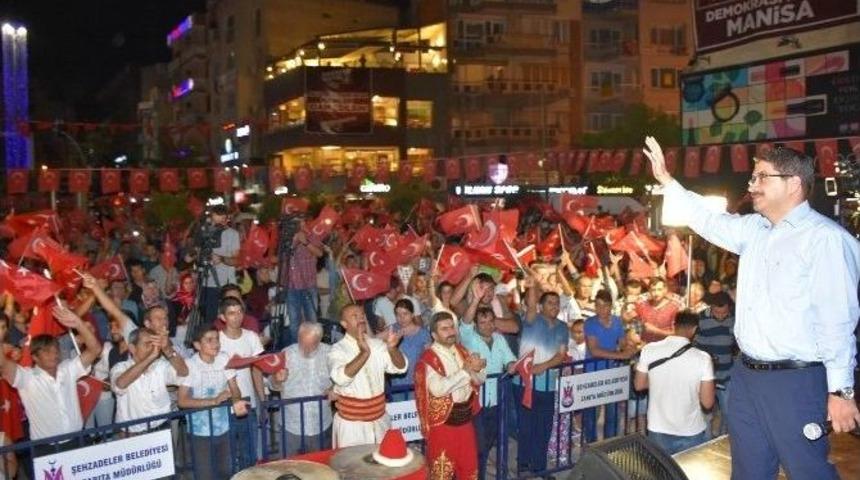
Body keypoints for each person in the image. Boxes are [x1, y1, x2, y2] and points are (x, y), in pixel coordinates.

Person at [644, 137, 860, 478]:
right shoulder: (755, 231)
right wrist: (669, 182)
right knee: (748, 470)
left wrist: (840, 391)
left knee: (807, 470)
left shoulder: (825, 240)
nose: (752, 185)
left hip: (796, 380)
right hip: (746, 376)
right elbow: (707, 219)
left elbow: (836, 320)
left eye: (761, 177)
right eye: (753, 177)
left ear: (793, 184)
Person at [0, 305, 102, 452]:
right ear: (35, 357)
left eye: (55, 350)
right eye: (47, 351)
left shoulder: (68, 369)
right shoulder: (27, 377)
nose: (53, 354)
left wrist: (78, 323)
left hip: (78, 441)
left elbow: (95, 350)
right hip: (47, 450)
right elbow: (3, 364)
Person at [414, 311, 485, 480]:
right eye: (444, 329)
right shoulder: (428, 359)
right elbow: (438, 389)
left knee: (469, 470)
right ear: (434, 334)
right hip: (442, 426)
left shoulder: (463, 351)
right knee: (441, 474)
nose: (451, 331)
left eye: (452, 327)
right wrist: (466, 372)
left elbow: (481, 379)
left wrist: (477, 369)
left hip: (466, 422)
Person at [634, 311, 715, 454]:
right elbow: (707, 402)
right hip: (690, 430)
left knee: (661, 473)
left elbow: (639, 385)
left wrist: (659, 380)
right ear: (695, 329)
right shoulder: (703, 358)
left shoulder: (649, 349)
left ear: (674, 325)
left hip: (657, 427)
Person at [328, 304, 406, 448]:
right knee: (352, 468)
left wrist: (392, 349)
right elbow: (340, 378)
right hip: (352, 427)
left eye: (362, 315)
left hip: (380, 421)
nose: (361, 319)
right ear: (344, 324)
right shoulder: (337, 350)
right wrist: (364, 354)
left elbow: (400, 368)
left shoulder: (377, 345)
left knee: (382, 465)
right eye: (355, 316)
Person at [178, 323, 248, 479]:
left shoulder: (223, 358)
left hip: (224, 427)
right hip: (199, 432)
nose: (215, 344)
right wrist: (213, 401)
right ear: (197, 345)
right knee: (205, 475)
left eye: (216, 339)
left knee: (226, 472)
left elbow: (235, 388)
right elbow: (182, 401)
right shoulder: (190, 365)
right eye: (209, 340)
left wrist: (236, 401)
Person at [517, 278, 569, 474]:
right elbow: (530, 304)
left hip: (548, 386)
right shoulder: (532, 319)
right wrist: (531, 285)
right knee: (526, 426)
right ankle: (523, 465)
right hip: (524, 384)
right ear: (540, 306)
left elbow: (561, 354)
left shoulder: (563, 327)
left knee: (544, 428)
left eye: (557, 303)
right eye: (550, 302)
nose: (554, 306)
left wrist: (542, 366)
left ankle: (540, 468)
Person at [460, 306, 516, 480]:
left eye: (491, 321)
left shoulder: (499, 338)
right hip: (476, 403)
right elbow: (465, 323)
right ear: (476, 325)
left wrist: (511, 365)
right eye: (482, 322)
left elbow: (509, 359)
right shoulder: (469, 339)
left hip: (496, 400)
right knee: (478, 447)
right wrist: (475, 300)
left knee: (488, 443)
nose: (488, 326)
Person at [270, 322, 333, 456]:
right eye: (302, 344)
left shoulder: (330, 353)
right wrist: (276, 379)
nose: (305, 349)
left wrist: (334, 388)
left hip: (320, 423)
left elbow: (342, 379)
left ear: (319, 341)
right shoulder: (286, 354)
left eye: (311, 346)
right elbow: (272, 384)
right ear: (298, 337)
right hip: (291, 425)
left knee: (319, 469)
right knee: (288, 468)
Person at [582, 290, 637, 442]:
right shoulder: (590, 323)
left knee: (612, 413)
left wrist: (629, 346)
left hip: (612, 372)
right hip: (593, 372)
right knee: (591, 413)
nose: (601, 309)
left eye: (605, 306)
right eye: (598, 306)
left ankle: (609, 445)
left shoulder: (618, 321)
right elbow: (594, 350)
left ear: (611, 306)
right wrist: (621, 354)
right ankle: (591, 446)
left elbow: (622, 342)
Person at [111, 326, 187, 434]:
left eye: (154, 344)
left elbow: (183, 373)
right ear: (132, 348)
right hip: (132, 434)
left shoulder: (160, 365)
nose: (152, 348)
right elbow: (120, 385)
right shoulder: (120, 367)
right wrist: (151, 357)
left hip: (162, 428)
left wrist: (167, 349)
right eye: (147, 344)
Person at [694, 291, 736, 436]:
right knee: (705, 413)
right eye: (717, 313)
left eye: (724, 313)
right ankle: (706, 441)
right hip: (706, 376)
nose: (721, 316)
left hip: (727, 374)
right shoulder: (700, 318)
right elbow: (694, 345)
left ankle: (723, 438)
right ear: (711, 307)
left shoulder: (735, 318)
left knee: (728, 412)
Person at [200, 204, 241, 324]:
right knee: (209, 320)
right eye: (215, 221)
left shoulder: (232, 234)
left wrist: (221, 259)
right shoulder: (205, 233)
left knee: (228, 318)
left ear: (226, 219)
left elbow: (236, 260)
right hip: (207, 282)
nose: (217, 225)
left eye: (221, 220)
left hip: (225, 284)